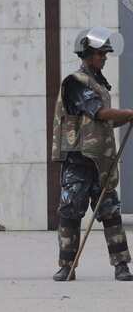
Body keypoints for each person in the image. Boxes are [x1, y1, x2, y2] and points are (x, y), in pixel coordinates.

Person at [51, 26, 133, 281]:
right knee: (70, 213)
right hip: (78, 159)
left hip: (100, 160)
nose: (104, 58)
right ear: (87, 54)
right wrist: (128, 113)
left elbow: (102, 122)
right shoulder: (76, 83)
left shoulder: (99, 84)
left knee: (110, 212)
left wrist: (124, 119)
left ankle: (122, 266)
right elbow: (96, 112)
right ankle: (67, 266)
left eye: (106, 54)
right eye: (100, 54)